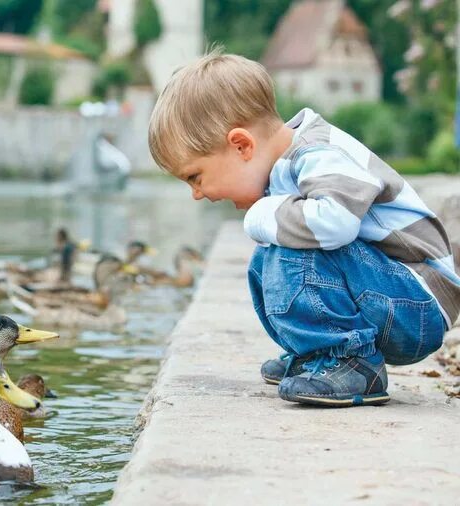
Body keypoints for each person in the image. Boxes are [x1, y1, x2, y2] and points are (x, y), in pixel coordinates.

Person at [147, 48, 460, 407]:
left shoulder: (319, 153)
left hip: (418, 306)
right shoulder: (287, 167)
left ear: (241, 145)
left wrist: (264, 212)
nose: (197, 195)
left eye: (195, 177)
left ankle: (349, 362)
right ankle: (316, 353)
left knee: (294, 245)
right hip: (389, 296)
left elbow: (336, 224)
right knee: (268, 257)